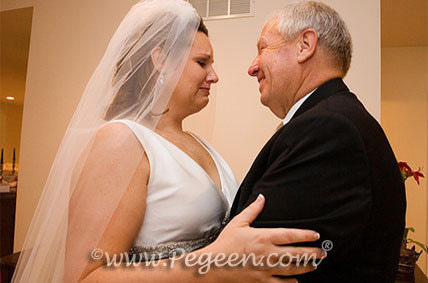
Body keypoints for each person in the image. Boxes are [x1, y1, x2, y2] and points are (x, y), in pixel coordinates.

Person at [12, 1, 324, 282]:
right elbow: (85, 276)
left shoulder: (200, 145)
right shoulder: (120, 140)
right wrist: (214, 265)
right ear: (160, 59)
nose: (214, 76)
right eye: (202, 63)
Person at [230, 1, 406, 282]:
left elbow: (243, 256)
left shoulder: (329, 129)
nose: (252, 67)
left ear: (305, 45)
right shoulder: (337, 118)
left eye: (263, 48)